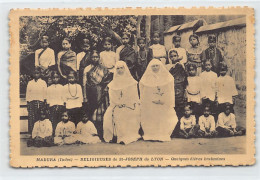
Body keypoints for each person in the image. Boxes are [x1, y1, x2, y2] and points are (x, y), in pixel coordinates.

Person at [139, 59, 178, 141]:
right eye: (153, 66)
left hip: (163, 102)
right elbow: (144, 91)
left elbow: (169, 91)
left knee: (166, 117)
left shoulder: (167, 77)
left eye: (157, 66)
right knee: (151, 116)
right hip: (151, 103)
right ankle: (151, 134)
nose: (155, 68)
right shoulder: (146, 78)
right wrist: (151, 99)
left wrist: (163, 100)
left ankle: (163, 134)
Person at [103, 61, 141, 144]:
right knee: (110, 115)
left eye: (122, 68)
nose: (120, 70)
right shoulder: (112, 84)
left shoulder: (132, 82)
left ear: (125, 68)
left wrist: (126, 103)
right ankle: (115, 136)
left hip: (130, 105)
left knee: (127, 114)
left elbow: (133, 96)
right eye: (118, 68)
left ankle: (126, 136)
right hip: (116, 105)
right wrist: (118, 103)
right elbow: (112, 97)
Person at [83, 51, 110, 139]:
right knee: (92, 112)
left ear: (99, 58)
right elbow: (84, 83)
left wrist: (104, 90)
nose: (95, 59)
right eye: (93, 57)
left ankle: (102, 134)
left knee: (101, 113)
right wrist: (85, 96)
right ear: (90, 58)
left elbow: (107, 81)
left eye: (96, 57)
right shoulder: (87, 69)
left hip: (101, 93)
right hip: (91, 92)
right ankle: (93, 133)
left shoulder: (103, 68)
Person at [167, 49, 187, 119]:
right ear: (169, 58)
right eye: (171, 56)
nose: (173, 58)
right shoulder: (168, 66)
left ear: (177, 56)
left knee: (180, 104)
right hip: (171, 87)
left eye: (175, 56)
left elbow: (184, 77)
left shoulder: (180, 65)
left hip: (179, 87)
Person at [26, 67, 47, 133]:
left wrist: (44, 101)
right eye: (34, 73)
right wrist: (28, 102)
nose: (36, 75)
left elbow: (45, 93)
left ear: (40, 74)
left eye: (37, 73)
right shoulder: (30, 83)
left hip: (40, 102)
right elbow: (28, 93)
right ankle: (32, 133)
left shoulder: (43, 82)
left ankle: (39, 132)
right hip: (31, 102)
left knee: (39, 117)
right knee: (32, 117)